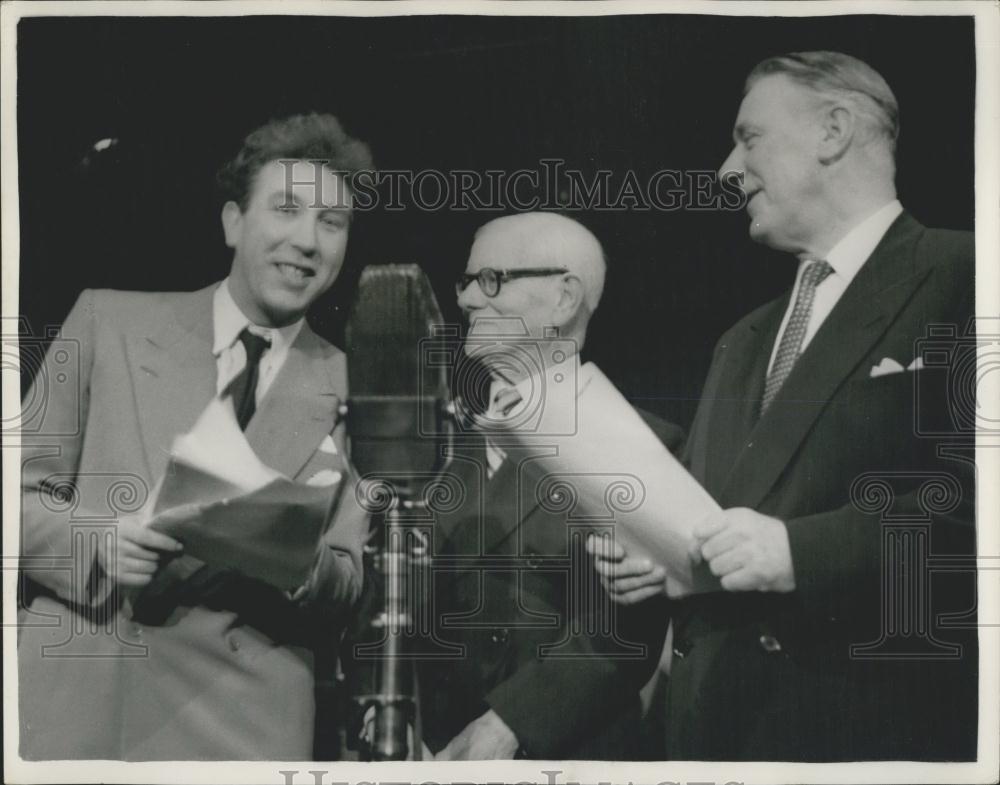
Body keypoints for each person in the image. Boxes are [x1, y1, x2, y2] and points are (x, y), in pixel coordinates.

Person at [590, 51, 977, 760]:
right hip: (714, 735)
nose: (727, 171)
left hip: (876, 736)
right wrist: (661, 556)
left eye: (749, 138)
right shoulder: (740, 342)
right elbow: (718, 520)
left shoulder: (970, 275)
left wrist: (799, 552)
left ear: (834, 131)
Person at [18, 113, 372, 760]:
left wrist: (294, 560)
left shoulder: (360, 389)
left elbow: (348, 580)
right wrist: (97, 542)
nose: (307, 241)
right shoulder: (106, 321)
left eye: (332, 222)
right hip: (84, 706)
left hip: (244, 725)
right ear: (233, 222)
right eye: (286, 209)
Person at [417, 212, 680, 760]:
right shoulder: (428, 447)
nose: (466, 300)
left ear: (565, 298)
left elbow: (625, 632)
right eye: (466, 282)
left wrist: (508, 724)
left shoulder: (647, 448)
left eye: (491, 280)